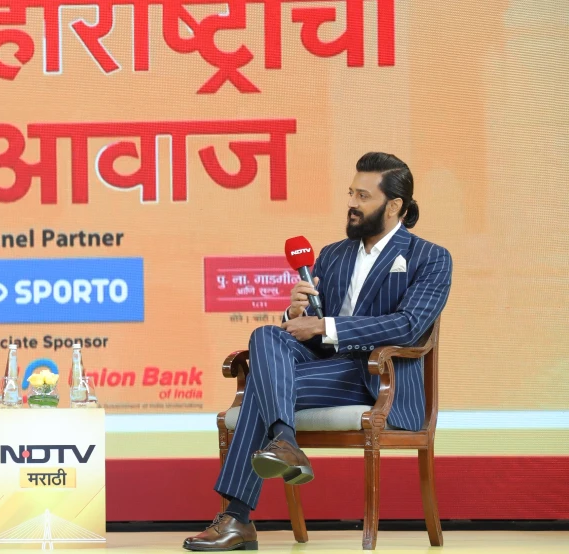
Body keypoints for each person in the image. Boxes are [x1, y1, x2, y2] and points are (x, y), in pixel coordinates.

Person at [183, 152, 452, 551]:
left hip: (379, 377)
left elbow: (409, 326)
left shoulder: (430, 257)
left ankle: (238, 517)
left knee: (259, 387)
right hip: (326, 369)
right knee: (265, 336)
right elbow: (311, 332)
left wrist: (325, 325)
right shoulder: (333, 254)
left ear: (395, 205)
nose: (352, 203)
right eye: (351, 193)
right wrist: (297, 314)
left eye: (363, 196)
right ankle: (284, 444)